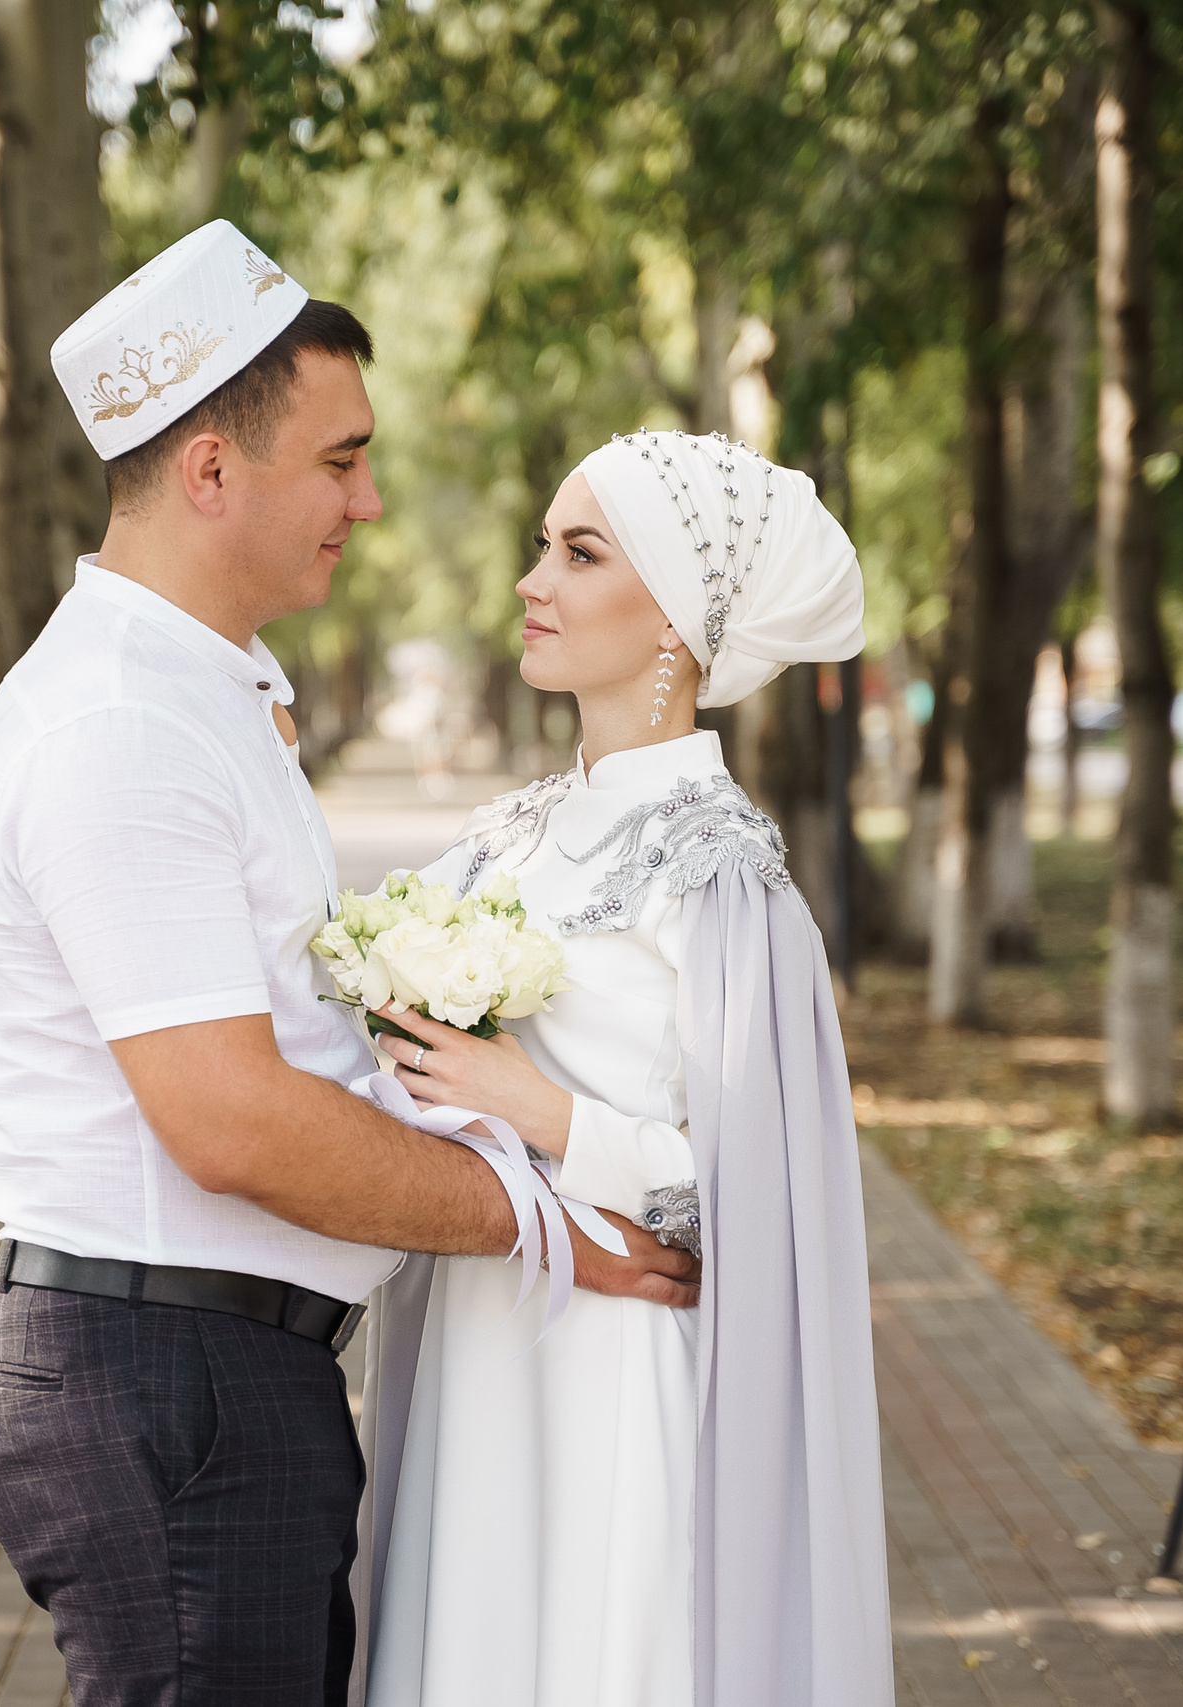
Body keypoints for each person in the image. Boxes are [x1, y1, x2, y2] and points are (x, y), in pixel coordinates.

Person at [0, 221, 698, 1707]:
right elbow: (231, 1117)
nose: (368, 496)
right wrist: (545, 1221)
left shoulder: (205, 692)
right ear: (211, 470)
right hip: (163, 1376)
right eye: (339, 458)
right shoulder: (124, 724)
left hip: (203, 1366)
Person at [355, 430, 894, 1706]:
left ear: (676, 622)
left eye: (578, 553)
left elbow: (760, 1197)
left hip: (613, 1348)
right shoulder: (506, 834)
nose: (532, 581)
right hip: (485, 1336)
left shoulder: (722, 870)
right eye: (542, 545)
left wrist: (538, 1111)